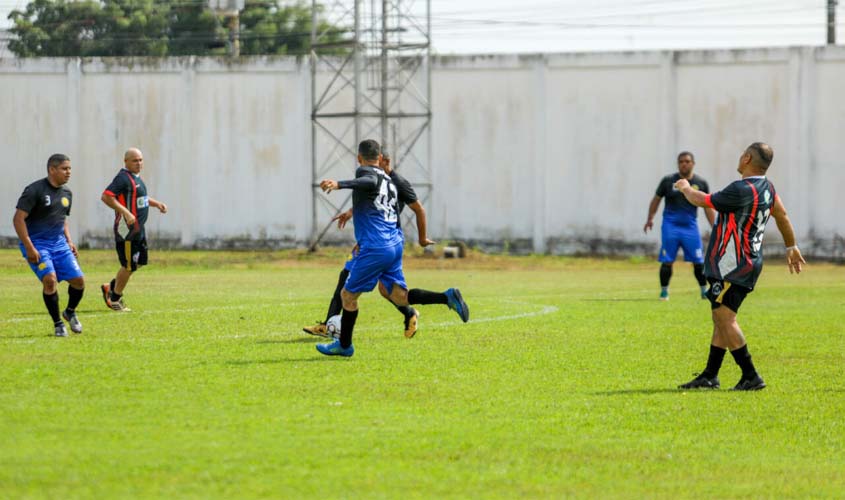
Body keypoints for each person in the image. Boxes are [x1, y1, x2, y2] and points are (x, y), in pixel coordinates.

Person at [674, 142, 805, 391]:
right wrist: (791, 246)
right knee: (720, 318)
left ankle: (751, 376)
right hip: (748, 262)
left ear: (746, 158)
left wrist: (685, 187)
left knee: (726, 318)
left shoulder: (742, 189)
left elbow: (702, 200)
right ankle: (710, 375)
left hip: (730, 265)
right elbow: (782, 215)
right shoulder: (768, 188)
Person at [303, 152, 468, 339]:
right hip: (383, 242)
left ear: (384, 161)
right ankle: (437, 301)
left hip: (378, 244)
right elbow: (372, 204)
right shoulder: (379, 180)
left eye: (376, 163)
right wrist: (350, 213)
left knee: (347, 287)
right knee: (392, 293)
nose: (372, 168)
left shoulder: (396, 182)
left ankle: (336, 334)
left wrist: (422, 239)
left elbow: (418, 209)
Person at [12, 154, 86, 337]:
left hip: (59, 244)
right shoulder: (34, 190)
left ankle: (69, 312)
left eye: (69, 168)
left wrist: (69, 241)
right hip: (38, 244)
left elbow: (62, 220)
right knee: (50, 280)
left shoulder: (67, 193)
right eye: (64, 168)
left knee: (79, 281)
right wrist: (29, 246)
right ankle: (58, 324)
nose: (68, 172)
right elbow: (18, 219)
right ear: (52, 170)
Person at [99, 148, 168, 312]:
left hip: (138, 230)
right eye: (135, 160)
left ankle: (111, 287)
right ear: (126, 162)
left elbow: (141, 198)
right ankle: (115, 299)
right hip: (127, 231)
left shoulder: (136, 179)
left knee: (137, 263)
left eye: (141, 160)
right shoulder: (123, 178)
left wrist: (156, 203)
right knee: (129, 265)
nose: (139, 163)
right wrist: (126, 212)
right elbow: (106, 196)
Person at [644, 151, 716, 300]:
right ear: (678, 164)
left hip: (690, 227)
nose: (684, 164)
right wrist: (650, 218)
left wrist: (714, 226)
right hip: (671, 226)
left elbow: (707, 206)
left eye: (687, 161)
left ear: (693, 164)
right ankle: (664, 291)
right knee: (667, 261)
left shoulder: (700, 183)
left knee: (698, 261)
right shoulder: (668, 181)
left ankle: (704, 291)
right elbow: (656, 200)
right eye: (681, 161)